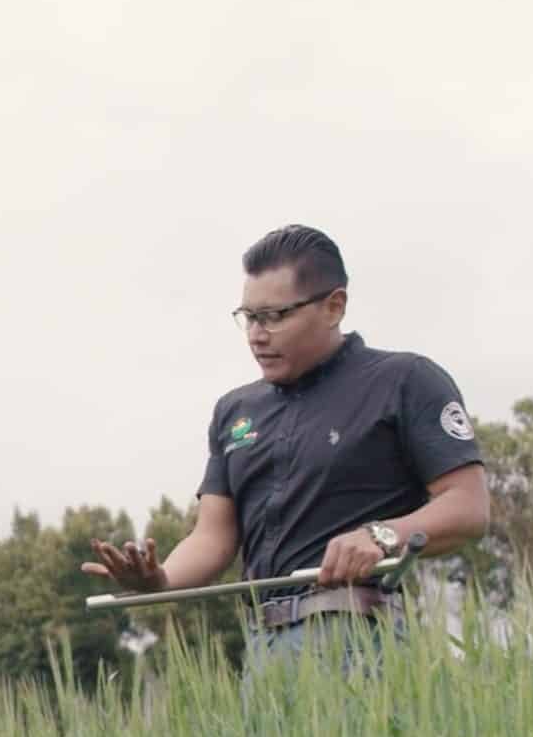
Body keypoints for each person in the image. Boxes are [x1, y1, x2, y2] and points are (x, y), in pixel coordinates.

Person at [83, 224, 489, 667]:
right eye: (249, 316)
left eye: (275, 316)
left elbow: (467, 508)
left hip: (359, 638)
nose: (257, 334)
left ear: (334, 306)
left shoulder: (405, 381)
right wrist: (159, 581)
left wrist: (381, 536)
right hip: (262, 648)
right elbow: (213, 537)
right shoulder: (234, 411)